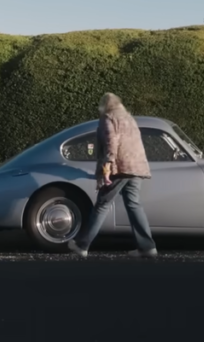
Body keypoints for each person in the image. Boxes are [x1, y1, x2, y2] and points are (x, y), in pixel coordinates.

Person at [67, 92, 158, 259]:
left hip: (120, 168)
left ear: (104, 106)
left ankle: (82, 245)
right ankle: (147, 247)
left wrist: (107, 166)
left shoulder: (109, 118)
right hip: (136, 167)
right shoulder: (129, 119)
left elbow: (111, 141)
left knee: (102, 205)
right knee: (134, 205)